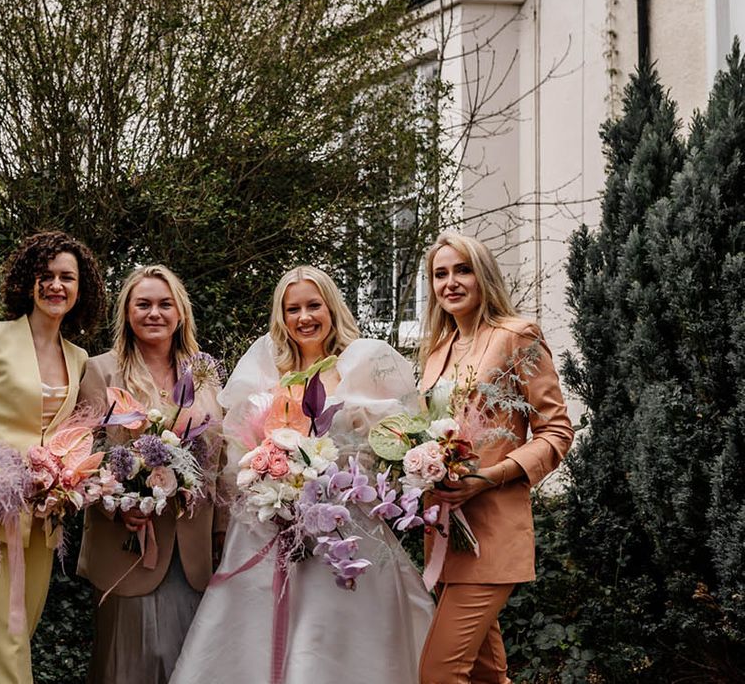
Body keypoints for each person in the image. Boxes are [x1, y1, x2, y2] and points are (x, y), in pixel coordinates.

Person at [169, 265, 434, 684]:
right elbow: (238, 452)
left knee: (335, 633)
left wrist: (334, 482)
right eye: (293, 309)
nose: (304, 317)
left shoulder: (365, 362)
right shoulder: (263, 370)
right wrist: (273, 487)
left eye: (314, 306)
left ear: (331, 308)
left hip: (346, 524)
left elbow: (395, 446)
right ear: (281, 316)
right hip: (270, 525)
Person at [0, 231, 106, 684]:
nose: (56, 285)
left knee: (18, 638)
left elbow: (70, 437)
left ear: (79, 288)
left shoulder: (79, 357)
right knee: (7, 642)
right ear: (27, 282)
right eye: (45, 275)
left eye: (66, 277)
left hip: (43, 519)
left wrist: (66, 485)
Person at [417, 231, 574, 684]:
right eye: (440, 274)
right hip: (445, 533)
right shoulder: (436, 351)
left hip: (492, 531)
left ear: (483, 274)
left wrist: (489, 476)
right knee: (488, 675)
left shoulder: (516, 337)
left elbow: (557, 431)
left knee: (438, 674)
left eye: (462, 270)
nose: (450, 282)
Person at [76, 265, 226, 684]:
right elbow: (85, 453)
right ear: (127, 312)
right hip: (128, 543)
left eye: (165, 304)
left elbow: (221, 458)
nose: (154, 313)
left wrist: (222, 533)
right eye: (143, 304)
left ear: (180, 314)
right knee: (133, 659)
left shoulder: (204, 375)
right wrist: (118, 505)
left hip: (193, 547)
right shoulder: (100, 371)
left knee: (189, 661)